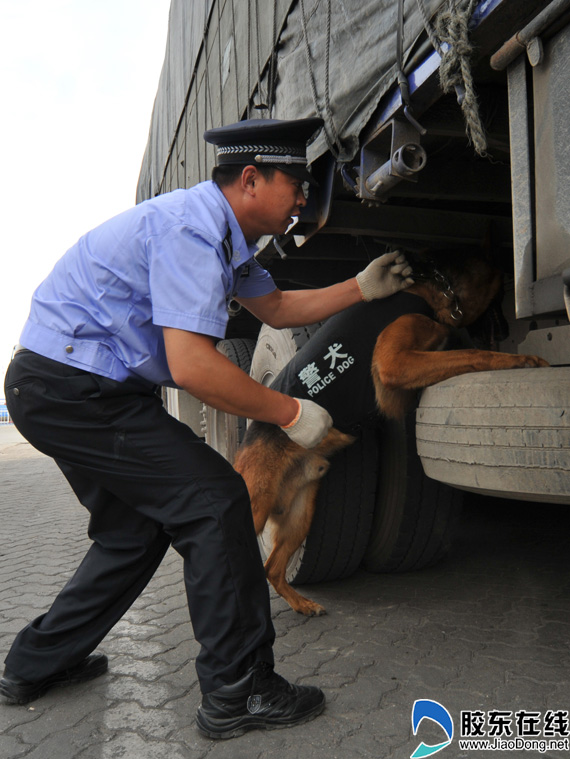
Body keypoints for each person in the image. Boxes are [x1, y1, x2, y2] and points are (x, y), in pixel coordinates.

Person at [1, 117, 413, 739]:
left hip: (67, 388)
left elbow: (275, 308)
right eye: (296, 181)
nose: (306, 194)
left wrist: (359, 287)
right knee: (216, 502)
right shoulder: (191, 230)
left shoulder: (228, 240)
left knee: (133, 533)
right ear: (251, 179)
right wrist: (291, 412)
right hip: (74, 389)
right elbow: (193, 366)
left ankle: (32, 666)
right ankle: (239, 690)